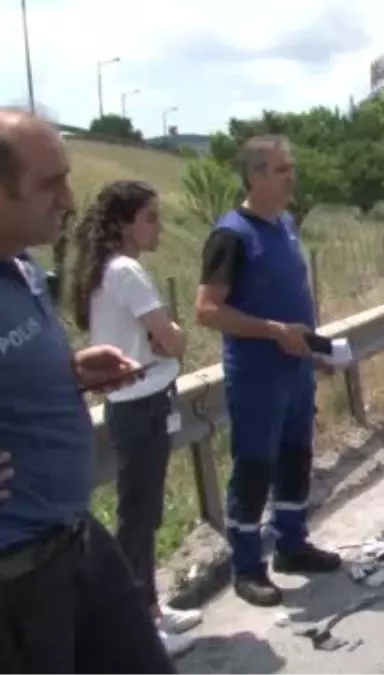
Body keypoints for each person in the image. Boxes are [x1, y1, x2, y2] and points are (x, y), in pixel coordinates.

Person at [0, 107, 178, 674]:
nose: (69, 197)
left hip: (76, 536)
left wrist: (72, 372)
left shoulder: (21, 269)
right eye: (49, 182)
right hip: (19, 577)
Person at [194, 134, 341, 608]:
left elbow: (294, 294)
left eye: (290, 168)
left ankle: (292, 545)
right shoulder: (231, 235)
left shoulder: (287, 225)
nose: (291, 177)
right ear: (256, 175)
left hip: (295, 370)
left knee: (296, 458)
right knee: (255, 468)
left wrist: (316, 349)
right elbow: (207, 310)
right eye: (282, 170)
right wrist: (273, 330)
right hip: (257, 374)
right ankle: (247, 566)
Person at [68, 179, 201, 657]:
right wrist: (174, 337)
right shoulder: (126, 271)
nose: (159, 227)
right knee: (139, 517)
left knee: (143, 514)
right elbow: (171, 339)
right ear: (124, 224)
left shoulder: (109, 269)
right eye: (150, 218)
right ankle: (142, 623)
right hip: (141, 403)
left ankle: (151, 609)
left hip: (140, 402)